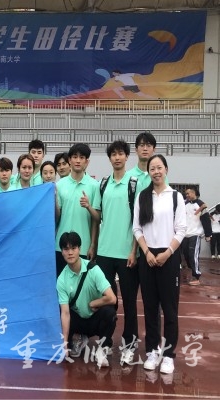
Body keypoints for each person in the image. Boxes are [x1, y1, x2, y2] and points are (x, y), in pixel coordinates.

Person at [133, 154, 186, 375]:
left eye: (159, 168)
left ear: (166, 169)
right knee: (150, 307)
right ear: (148, 172)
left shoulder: (175, 197)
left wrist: (167, 253)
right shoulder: (142, 197)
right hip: (148, 257)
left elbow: (181, 229)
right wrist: (146, 252)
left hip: (169, 256)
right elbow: (137, 228)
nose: (156, 172)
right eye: (152, 169)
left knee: (170, 309)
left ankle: (169, 355)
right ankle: (152, 351)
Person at [96, 140, 140, 365]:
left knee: (130, 302)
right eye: (113, 154)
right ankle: (104, 343)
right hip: (104, 252)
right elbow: (99, 216)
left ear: (127, 157)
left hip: (126, 254)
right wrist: (88, 207)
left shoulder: (134, 184)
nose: (117, 157)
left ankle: (129, 344)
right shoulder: (103, 184)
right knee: (107, 302)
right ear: (109, 158)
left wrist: (134, 250)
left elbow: (138, 221)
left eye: (121, 153)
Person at [57, 232, 117, 367]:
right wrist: (64, 344)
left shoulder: (93, 269)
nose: (70, 253)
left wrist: (95, 303)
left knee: (110, 313)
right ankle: (77, 338)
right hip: (78, 319)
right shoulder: (61, 280)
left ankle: (102, 348)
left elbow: (112, 298)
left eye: (73, 248)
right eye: (66, 249)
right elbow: (65, 313)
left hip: (95, 318)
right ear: (62, 252)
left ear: (79, 249)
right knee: (60, 310)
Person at [55, 143, 101, 277]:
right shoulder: (59, 185)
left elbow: (97, 219)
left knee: (83, 286)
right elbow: (56, 217)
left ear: (87, 162)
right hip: (61, 247)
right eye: (75, 157)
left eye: (82, 157)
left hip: (84, 247)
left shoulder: (94, 185)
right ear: (69, 160)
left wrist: (93, 245)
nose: (78, 160)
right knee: (61, 285)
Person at [181, 187, 209, 286]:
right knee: (186, 255)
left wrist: (208, 234)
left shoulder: (201, 204)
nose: (187, 195)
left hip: (196, 234)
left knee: (193, 254)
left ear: (194, 193)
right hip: (185, 234)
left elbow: (206, 219)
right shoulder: (184, 204)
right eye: (186, 194)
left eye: (188, 193)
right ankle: (192, 269)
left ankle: (196, 276)